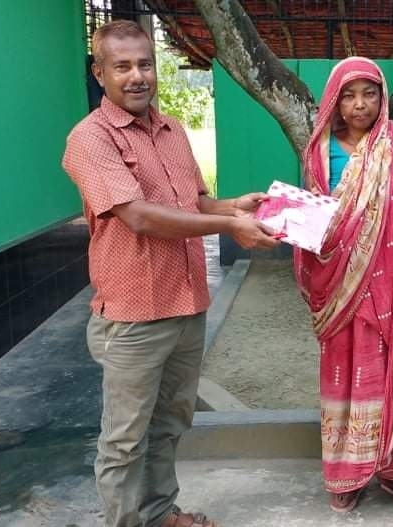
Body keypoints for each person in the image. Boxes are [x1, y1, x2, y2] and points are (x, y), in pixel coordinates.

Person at [61, 20, 279, 527]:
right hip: (135, 314)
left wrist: (232, 205)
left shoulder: (173, 130)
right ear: (100, 73)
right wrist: (229, 225)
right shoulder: (90, 139)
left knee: (171, 422)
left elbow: (192, 201)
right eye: (122, 66)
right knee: (124, 439)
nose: (137, 76)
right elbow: (139, 216)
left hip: (187, 303)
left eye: (145, 64)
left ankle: (160, 513)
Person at [295, 57, 393, 514]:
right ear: (334, 101)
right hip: (338, 282)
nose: (359, 104)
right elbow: (310, 216)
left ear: (382, 97)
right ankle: (345, 474)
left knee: (389, 370)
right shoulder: (317, 151)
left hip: (388, 281)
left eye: (369, 93)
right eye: (348, 95)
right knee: (343, 375)